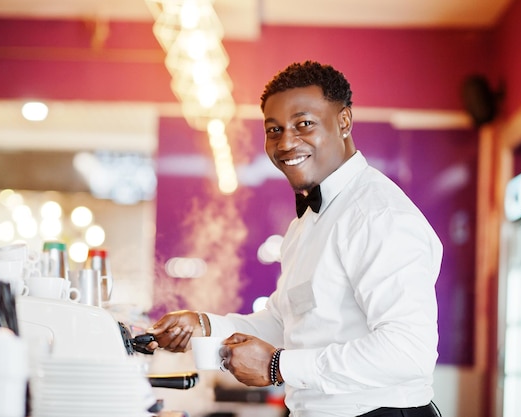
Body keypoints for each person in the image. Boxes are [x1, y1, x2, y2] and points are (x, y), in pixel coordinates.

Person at [147, 61, 443, 417]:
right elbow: (285, 322)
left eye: (304, 124)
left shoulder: (379, 215)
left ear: (344, 122)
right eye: (274, 130)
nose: (286, 142)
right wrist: (206, 324)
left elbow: (408, 351)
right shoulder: (307, 223)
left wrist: (279, 366)